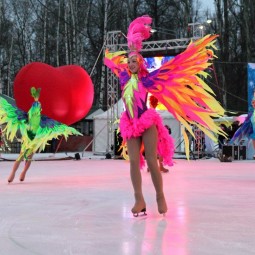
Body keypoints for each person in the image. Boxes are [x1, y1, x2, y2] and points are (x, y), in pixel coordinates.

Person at [104, 15, 226, 216]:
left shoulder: (147, 79)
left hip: (146, 121)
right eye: (129, 61)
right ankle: (139, 199)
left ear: (141, 63)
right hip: (130, 123)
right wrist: (128, 46)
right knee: (134, 161)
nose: (131, 63)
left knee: (152, 160)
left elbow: (173, 70)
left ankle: (160, 195)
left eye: (135, 61)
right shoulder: (123, 76)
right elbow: (110, 61)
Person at [0, 87, 82, 183]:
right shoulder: (25, 116)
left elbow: (57, 124)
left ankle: (23, 173)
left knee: (28, 157)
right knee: (22, 156)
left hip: (35, 139)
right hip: (28, 138)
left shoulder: (43, 120)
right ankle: (14, 173)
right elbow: (10, 109)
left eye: (38, 109)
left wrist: (68, 129)